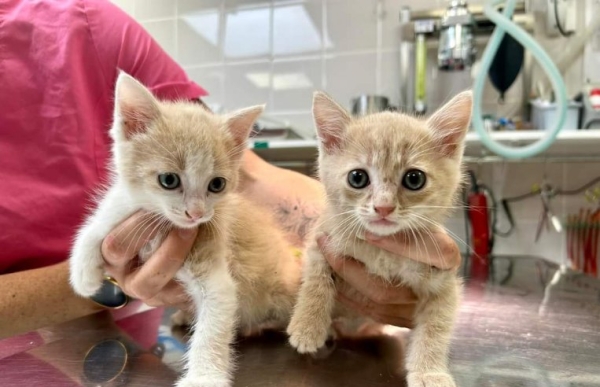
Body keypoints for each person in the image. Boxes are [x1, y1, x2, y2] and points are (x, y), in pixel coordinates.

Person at [0, 0, 460, 340]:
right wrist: (106, 279)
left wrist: (357, 244)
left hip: (133, 346)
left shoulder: (88, 23)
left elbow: (249, 178)